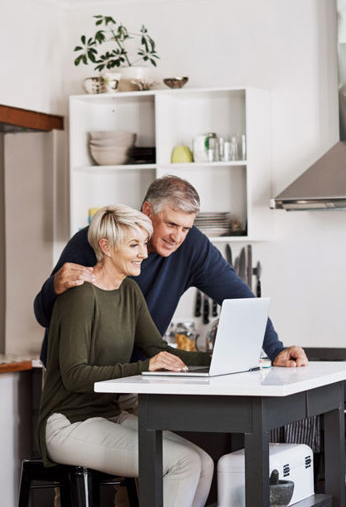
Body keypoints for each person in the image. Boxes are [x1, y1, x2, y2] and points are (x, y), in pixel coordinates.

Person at [37, 204, 214, 506]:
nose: (144, 254)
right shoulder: (80, 294)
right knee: (183, 463)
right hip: (68, 423)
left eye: (143, 244)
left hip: (107, 415)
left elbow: (161, 351)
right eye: (134, 245)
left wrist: (222, 359)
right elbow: (75, 375)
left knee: (203, 462)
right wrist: (146, 366)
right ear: (105, 246)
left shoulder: (130, 292)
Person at [34, 175, 308, 368]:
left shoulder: (192, 247)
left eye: (186, 228)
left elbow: (242, 300)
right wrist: (54, 286)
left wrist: (275, 350)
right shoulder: (95, 241)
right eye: (171, 225)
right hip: (77, 383)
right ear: (147, 211)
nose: (177, 237)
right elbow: (44, 315)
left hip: (136, 375)